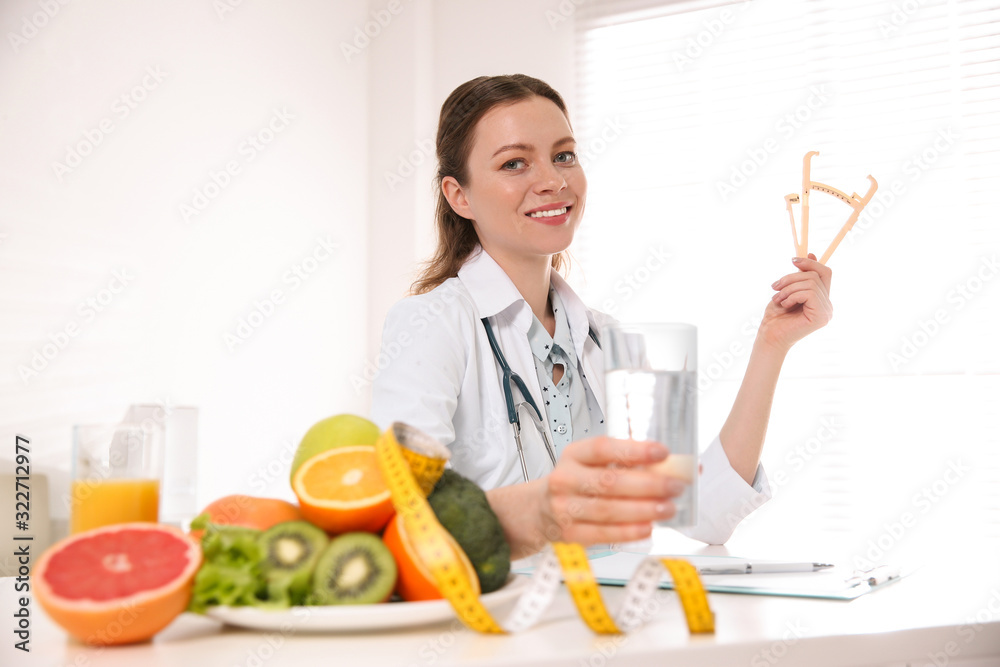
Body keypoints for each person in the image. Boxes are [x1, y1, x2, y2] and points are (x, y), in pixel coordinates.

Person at [371, 74, 833, 559]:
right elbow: (409, 510)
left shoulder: (606, 336)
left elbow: (703, 513)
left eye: (564, 155)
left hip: (611, 622)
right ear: (458, 195)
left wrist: (772, 344)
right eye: (514, 163)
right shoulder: (431, 324)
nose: (552, 181)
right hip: (502, 625)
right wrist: (554, 505)